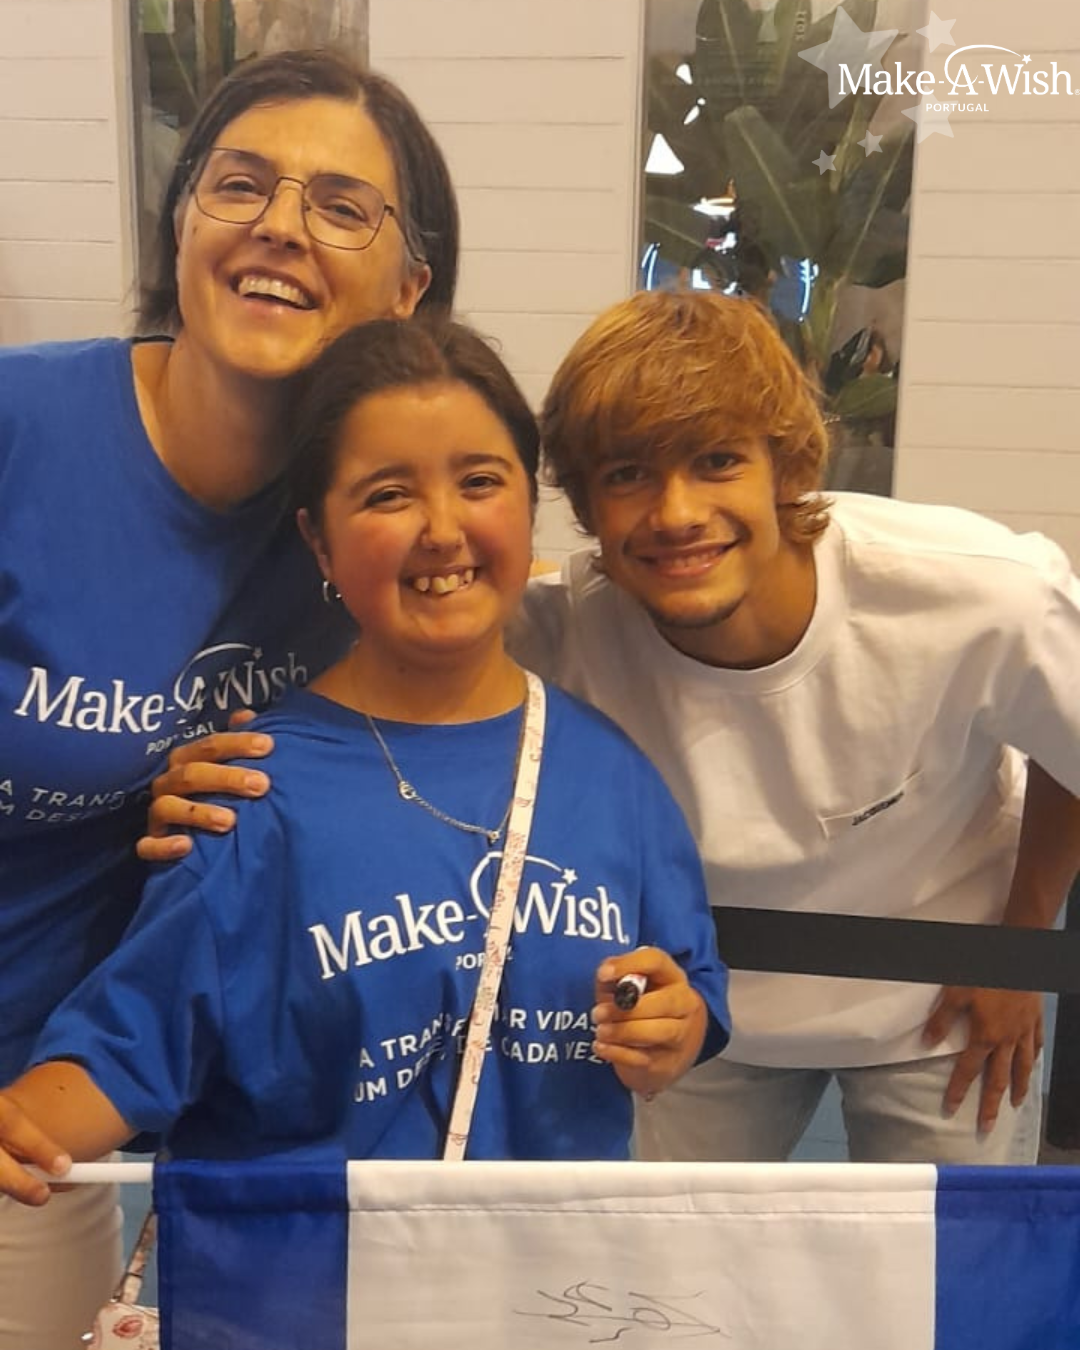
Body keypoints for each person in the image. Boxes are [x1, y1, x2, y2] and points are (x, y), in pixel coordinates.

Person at [145, 289, 1080, 1165]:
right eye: (629, 475)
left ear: (789, 467)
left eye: (718, 461)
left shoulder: (980, 595)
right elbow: (389, 635)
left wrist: (1020, 942)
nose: (678, 515)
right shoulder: (559, 631)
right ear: (585, 508)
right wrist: (233, 768)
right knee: (662, 1271)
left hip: (940, 996)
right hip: (694, 1011)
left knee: (957, 1272)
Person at [0, 318, 729, 1205]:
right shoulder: (249, 797)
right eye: (388, 495)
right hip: (312, 1277)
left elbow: (686, 987)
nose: (442, 529)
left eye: (479, 481)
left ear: (527, 504)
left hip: (554, 1274)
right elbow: (124, 1055)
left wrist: (674, 1028)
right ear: (319, 540)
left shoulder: (613, 777)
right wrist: (21, 1124)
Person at [0, 47, 458, 1348]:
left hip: (59, 1119)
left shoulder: (370, 535)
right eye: (240, 185)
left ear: (409, 286)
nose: (280, 227)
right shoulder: (24, 428)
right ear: (183, 223)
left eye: (341, 206)